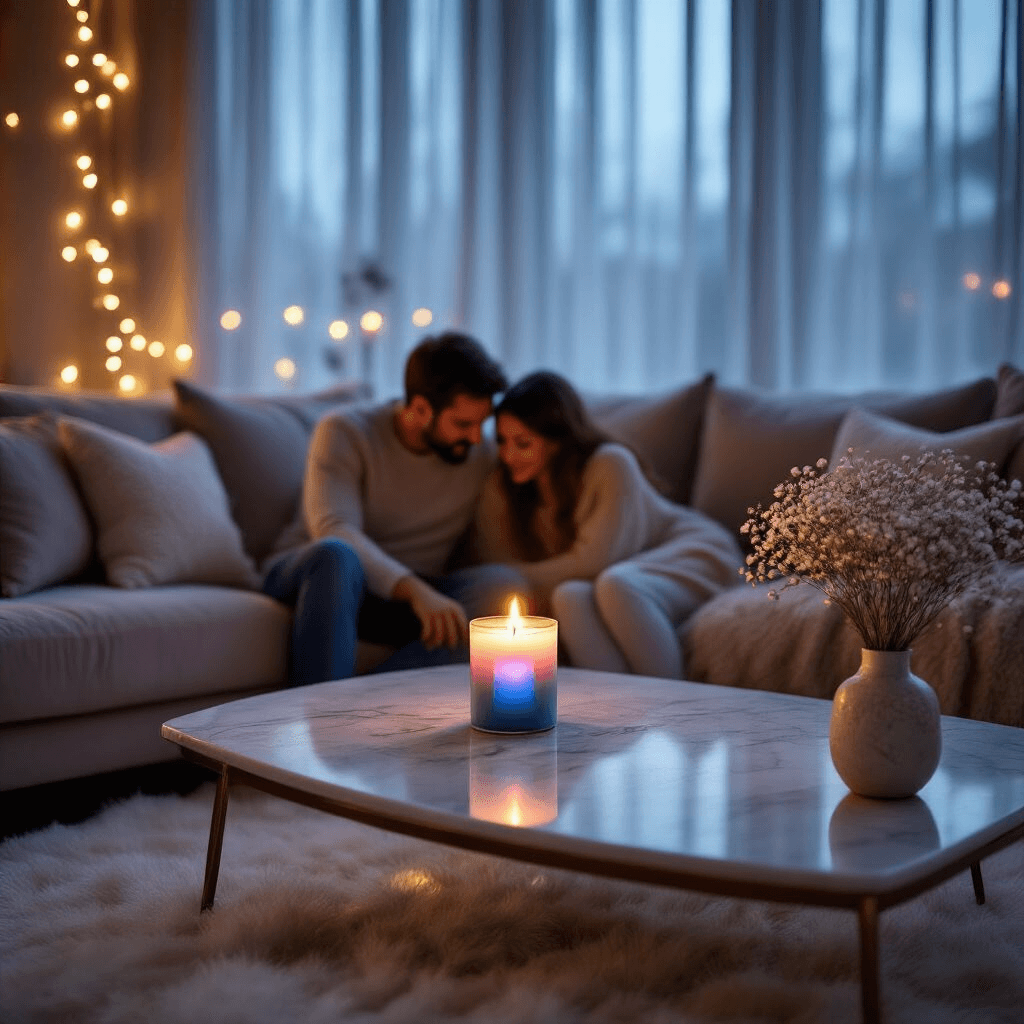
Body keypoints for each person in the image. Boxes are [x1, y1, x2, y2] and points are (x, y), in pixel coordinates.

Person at [262, 332, 524, 685]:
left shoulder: (480, 455)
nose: (476, 437)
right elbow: (334, 528)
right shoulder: (345, 431)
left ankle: (365, 698)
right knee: (337, 555)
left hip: (401, 602)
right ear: (420, 409)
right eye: (463, 424)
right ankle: (323, 704)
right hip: (318, 577)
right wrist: (414, 590)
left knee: (503, 585)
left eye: (482, 422)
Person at [472, 370, 743, 679]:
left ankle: (673, 699)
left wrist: (509, 576)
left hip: (692, 550)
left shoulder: (610, 463)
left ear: (557, 440)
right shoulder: (510, 487)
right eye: (502, 442)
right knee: (569, 596)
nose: (508, 456)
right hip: (624, 572)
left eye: (522, 443)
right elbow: (496, 564)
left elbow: (595, 561)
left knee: (617, 584)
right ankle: (620, 704)